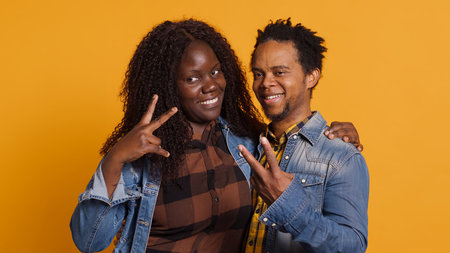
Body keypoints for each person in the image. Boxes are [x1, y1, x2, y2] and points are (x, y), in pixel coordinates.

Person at [70, 19, 361, 253]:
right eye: (193, 78)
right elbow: (89, 241)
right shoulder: (144, 154)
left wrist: (334, 136)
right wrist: (116, 157)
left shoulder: (245, 142)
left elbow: (295, 135)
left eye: (215, 72)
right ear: (169, 85)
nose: (211, 86)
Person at [238, 19, 370, 253]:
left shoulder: (340, 156)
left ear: (311, 76)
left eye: (279, 72)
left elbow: (352, 246)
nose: (266, 83)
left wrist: (287, 205)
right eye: (258, 74)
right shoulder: (243, 143)